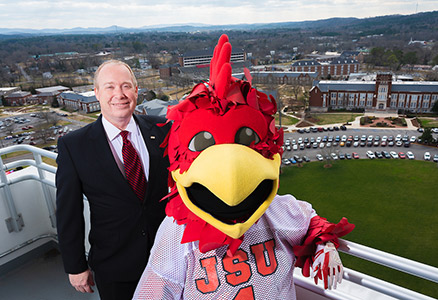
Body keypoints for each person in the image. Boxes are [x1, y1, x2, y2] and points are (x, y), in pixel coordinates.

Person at [133, 35, 354, 299]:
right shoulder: (177, 230)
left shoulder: (277, 212)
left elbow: (313, 224)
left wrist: (324, 246)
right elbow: (156, 291)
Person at [56, 60, 170, 300]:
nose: (119, 94)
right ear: (96, 93)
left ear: (136, 90)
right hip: (115, 264)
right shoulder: (74, 146)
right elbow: (68, 212)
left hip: (168, 255)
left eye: (126, 86)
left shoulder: (162, 129)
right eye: (109, 87)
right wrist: (75, 266)